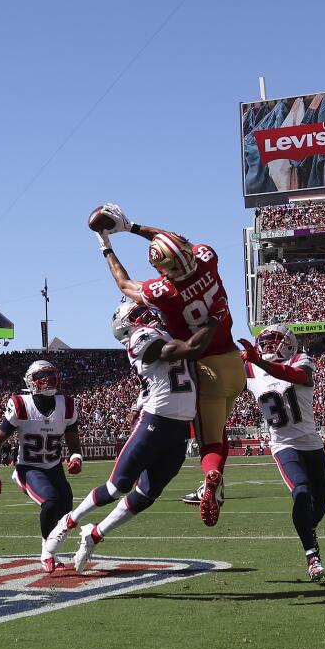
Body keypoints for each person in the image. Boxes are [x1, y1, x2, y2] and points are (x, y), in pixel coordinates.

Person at [94, 203, 244, 527]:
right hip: (234, 361)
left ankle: (211, 479)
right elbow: (173, 238)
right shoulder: (207, 256)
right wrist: (132, 226)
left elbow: (125, 284)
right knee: (219, 433)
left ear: (166, 269)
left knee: (210, 442)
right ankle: (214, 483)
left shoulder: (165, 292)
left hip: (207, 368)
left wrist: (106, 244)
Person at [51, 299, 220, 572]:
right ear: (129, 324)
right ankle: (68, 522)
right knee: (116, 487)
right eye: (139, 313)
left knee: (147, 494)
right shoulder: (141, 337)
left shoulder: (165, 332)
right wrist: (214, 320)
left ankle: (95, 534)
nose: (148, 314)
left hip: (179, 426)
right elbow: (191, 347)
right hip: (155, 420)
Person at [241, 325, 325, 581]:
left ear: (289, 343)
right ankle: (312, 555)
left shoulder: (300, 360)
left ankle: (307, 530)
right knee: (301, 492)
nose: (269, 346)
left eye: (274, 341)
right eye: (265, 342)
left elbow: (299, 377)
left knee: (321, 500)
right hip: (283, 444)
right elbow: (225, 382)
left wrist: (257, 360)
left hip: (312, 443)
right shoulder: (250, 368)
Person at [0, 360, 84, 572]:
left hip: (54, 466)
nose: (47, 379)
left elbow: (74, 444)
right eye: (41, 376)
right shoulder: (21, 404)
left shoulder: (67, 404)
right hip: (28, 467)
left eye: (50, 374)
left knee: (66, 510)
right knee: (50, 502)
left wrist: (76, 458)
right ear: (31, 381)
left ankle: (50, 548)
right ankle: (47, 552)